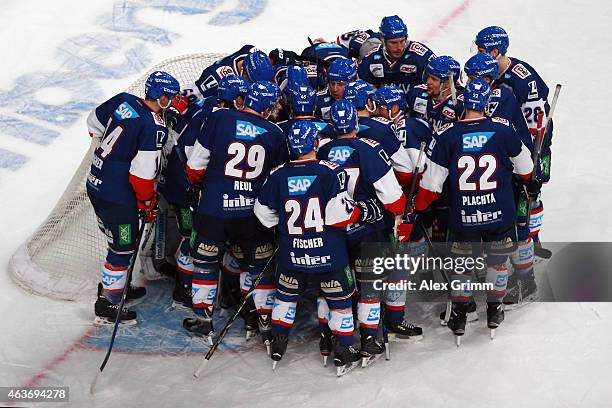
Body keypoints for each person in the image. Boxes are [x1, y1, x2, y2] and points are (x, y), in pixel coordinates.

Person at [410, 79, 535, 343]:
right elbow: (526, 168)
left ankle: (459, 314)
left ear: (464, 104)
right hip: (500, 212)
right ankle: (494, 309)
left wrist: (416, 206)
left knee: (462, 265)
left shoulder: (448, 135)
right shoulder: (502, 130)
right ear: (487, 103)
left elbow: (432, 186)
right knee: (497, 262)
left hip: (463, 217)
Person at [183, 81, 288, 346]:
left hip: (214, 210)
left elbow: (195, 166)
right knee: (259, 267)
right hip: (252, 217)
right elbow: (278, 182)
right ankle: (264, 319)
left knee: (205, 263)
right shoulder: (274, 133)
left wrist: (204, 186)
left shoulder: (219, 117)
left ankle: (203, 320)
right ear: (266, 106)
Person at [254, 121, 364, 374]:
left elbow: (261, 212)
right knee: (340, 302)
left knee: (285, 297)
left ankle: (278, 341)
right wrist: (359, 212)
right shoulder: (331, 171)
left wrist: (283, 225)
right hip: (330, 254)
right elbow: (339, 215)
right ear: (315, 143)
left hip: (293, 254)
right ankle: (343, 349)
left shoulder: (278, 173)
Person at [86, 70, 180, 325]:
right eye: (169, 97)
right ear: (162, 97)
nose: (171, 101)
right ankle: (108, 303)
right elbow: (141, 176)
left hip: (95, 183)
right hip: (118, 196)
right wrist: (147, 202)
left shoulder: (123, 100)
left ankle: (113, 287)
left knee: (115, 241)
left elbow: (93, 122)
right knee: (123, 246)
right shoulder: (153, 126)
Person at [318, 100, 407, 364]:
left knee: (333, 288)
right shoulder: (370, 148)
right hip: (368, 231)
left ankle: (327, 335)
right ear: (357, 123)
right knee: (370, 285)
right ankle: (369, 338)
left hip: (332, 233)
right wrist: (398, 210)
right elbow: (393, 199)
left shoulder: (321, 150)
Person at [160, 74, 249, 311]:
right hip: (184, 187)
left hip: (185, 182)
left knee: (203, 240)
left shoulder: (210, 105)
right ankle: (183, 291)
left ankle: (198, 288)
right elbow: (192, 156)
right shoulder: (220, 118)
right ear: (238, 100)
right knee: (193, 240)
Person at [474, 26, 552, 258]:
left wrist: (530, 155)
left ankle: (533, 240)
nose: (477, 54)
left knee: (529, 190)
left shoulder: (522, 80)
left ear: (495, 51)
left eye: (481, 49)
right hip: (506, 141)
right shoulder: (485, 70)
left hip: (531, 140)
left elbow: (536, 123)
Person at [358, 15, 435, 94]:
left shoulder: (422, 58)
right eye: (393, 43)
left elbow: (441, 85)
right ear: (382, 40)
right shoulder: (370, 60)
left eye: (402, 41)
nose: (399, 47)